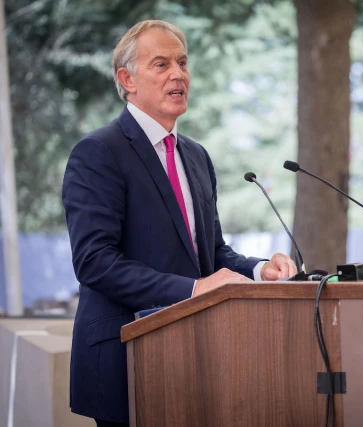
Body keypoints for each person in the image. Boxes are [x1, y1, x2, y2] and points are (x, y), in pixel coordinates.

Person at [62, 20, 297, 427]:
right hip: (126, 359)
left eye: (183, 63)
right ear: (127, 79)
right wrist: (193, 289)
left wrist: (261, 270)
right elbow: (95, 262)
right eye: (161, 64)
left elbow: (212, 253)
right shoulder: (98, 152)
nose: (178, 74)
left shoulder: (196, 156)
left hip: (198, 357)